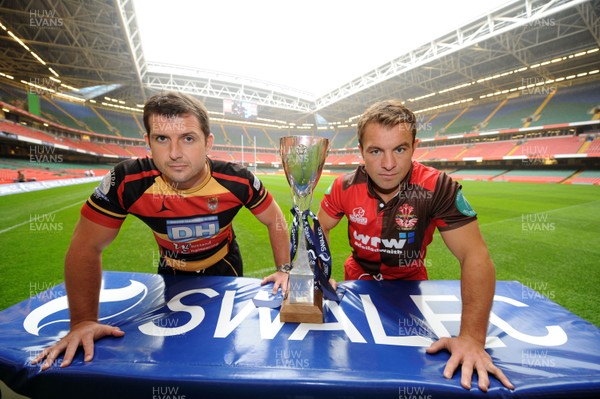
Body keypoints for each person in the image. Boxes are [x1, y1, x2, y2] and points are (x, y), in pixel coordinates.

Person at [34, 91, 290, 370]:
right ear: (148, 142)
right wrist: (83, 321)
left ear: (208, 142)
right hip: (171, 269)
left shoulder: (237, 178)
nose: (175, 153)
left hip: (225, 265)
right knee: (173, 356)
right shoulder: (127, 181)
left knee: (223, 355)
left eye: (188, 139)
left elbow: (274, 218)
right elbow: (86, 245)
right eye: (162, 139)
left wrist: (285, 268)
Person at [317, 100, 514, 392]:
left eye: (399, 149)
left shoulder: (438, 187)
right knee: (356, 374)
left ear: (414, 146)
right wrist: (321, 272)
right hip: (356, 283)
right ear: (361, 152)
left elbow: (474, 255)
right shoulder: (343, 186)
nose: (388, 164)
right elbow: (318, 227)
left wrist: (472, 339)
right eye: (375, 151)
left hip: (409, 286)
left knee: (411, 375)